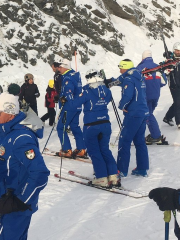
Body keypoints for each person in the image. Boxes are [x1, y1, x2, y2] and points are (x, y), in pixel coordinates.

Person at [0, 92, 50, 240]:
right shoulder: (5, 130)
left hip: (15, 205)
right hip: (4, 200)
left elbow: (40, 174)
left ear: (9, 113)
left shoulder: (21, 138)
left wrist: (20, 202)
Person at [60, 69, 119, 187]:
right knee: (105, 150)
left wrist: (65, 99)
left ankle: (101, 177)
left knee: (94, 151)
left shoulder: (87, 92)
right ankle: (113, 176)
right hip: (105, 123)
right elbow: (106, 100)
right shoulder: (106, 90)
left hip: (91, 125)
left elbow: (73, 104)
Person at [105, 59, 149, 177]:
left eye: (121, 67)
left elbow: (128, 95)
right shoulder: (138, 76)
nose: (120, 70)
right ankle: (142, 168)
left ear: (125, 67)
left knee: (124, 140)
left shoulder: (128, 79)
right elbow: (119, 80)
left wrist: (122, 106)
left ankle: (121, 169)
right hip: (143, 112)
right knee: (139, 141)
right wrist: (110, 81)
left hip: (133, 114)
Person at [56, 58, 86, 158]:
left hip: (69, 107)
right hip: (77, 106)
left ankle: (66, 149)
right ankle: (81, 149)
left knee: (61, 127)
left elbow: (69, 92)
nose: (58, 69)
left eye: (60, 67)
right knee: (75, 127)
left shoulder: (67, 78)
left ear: (65, 67)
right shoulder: (75, 75)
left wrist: (64, 98)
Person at [137, 50, 167, 144]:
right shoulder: (158, 67)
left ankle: (156, 136)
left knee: (148, 115)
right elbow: (164, 82)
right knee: (149, 114)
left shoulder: (140, 68)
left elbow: (135, 83)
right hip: (156, 95)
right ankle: (154, 134)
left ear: (143, 58)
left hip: (145, 95)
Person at [163, 42, 180, 129]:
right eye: (177, 50)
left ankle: (168, 117)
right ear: (174, 50)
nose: (178, 52)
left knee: (177, 103)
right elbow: (163, 67)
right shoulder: (170, 60)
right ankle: (179, 123)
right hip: (173, 84)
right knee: (178, 103)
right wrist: (167, 66)